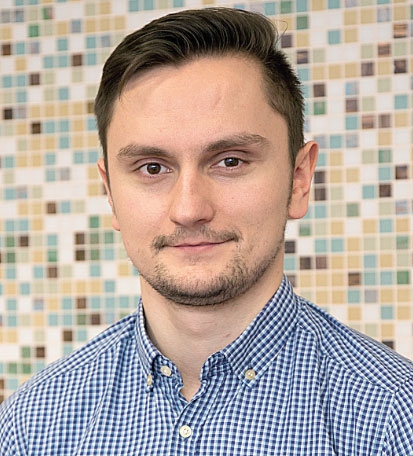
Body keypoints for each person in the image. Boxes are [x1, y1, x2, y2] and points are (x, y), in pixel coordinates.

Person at [0, 7, 412, 455]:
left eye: (230, 161)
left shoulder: (394, 417)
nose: (189, 209)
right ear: (110, 191)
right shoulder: (31, 426)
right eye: (152, 167)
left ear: (299, 179)